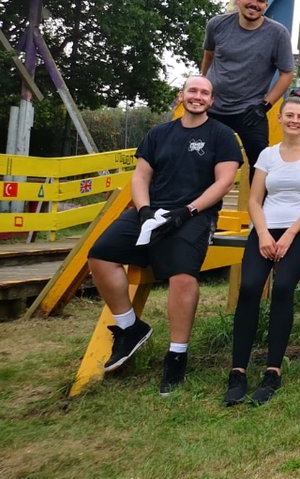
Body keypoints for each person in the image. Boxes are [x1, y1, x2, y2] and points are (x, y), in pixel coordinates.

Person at [89, 76, 242, 394]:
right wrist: (144, 210)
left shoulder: (221, 135)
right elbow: (141, 176)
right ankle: (130, 328)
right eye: (193, 91)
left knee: (182, 275)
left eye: (204, 93)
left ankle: (176, 356)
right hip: (152, 212)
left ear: (211, 101)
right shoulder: (159, 133)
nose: (198, 96)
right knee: (101, 253)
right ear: (181, 96)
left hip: (194, 215)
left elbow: (223, 182)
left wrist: (187, 212)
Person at [224, 95, 300, 406]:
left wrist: (289, 235)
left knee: (283, 287)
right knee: (250, 287)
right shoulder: (268, 156)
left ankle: (273, 370)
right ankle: (238, 371)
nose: (295, 120)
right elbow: (255, 200)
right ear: (281, 120)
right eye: (290, 116)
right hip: (265, 229)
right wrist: (262, 233)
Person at [201, 0, 295, 174]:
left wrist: (265, 105)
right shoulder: (217, 24)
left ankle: (258, 204)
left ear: (265, 6)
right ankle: (200, 204)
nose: (254, 3)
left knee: (261, 165)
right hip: (214, 107)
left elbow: (287, 74)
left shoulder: (277, 33)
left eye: (260, 0)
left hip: (250, 110)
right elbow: (208, 56)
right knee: (201, 158)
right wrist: (202, 89)